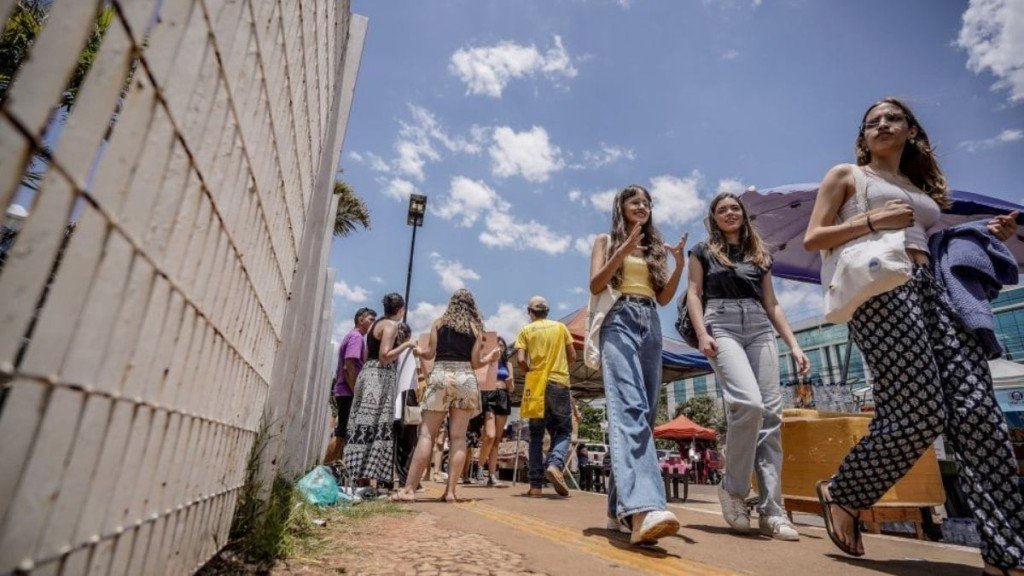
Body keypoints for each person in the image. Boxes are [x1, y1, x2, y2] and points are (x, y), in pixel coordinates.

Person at [804, 98, 1023, 574]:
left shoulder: (920, 189)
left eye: (893, 118)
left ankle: (1008, 553)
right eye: (873, 121)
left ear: (911, 132)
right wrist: (871, 221)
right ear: (863, 137)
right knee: (919, 411)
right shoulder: (847, 175)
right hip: (883, 287)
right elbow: (814, 238)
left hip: (934, 288)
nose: (882, 124)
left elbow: (931, 240)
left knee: (977, 413)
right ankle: (845, 491)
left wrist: (987, 234)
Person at [686, 192, 811, 541]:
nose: (729, 212)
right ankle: (733, 489)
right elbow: (694, 293)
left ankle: (772, 510)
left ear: (743, 214)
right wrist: (702, 333)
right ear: (714, 218)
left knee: (771, 416)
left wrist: (794, 344)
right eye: (722, 209)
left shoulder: (760, 254)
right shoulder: (702, 251)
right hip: (721, 322)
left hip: (759, 327)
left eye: (734, 208)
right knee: (749, 404)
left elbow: (772, 303)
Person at [589, 185, 688, 546]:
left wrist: (678, 265)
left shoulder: (654, 247)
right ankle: (645, 510)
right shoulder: (605, 241)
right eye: (635, 202)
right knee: (629, 408)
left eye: (647, 202)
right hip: (619, 319)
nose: (643, 206)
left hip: (651, 323)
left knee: (644, 417)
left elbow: (663, 298)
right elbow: (596, 284)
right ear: (622, 207)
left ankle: (617, 509)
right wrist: (623, 251)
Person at [392, 289, 500, 502]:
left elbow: (430, 353)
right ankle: (450, 492)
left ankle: (408, 490)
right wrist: (490, 357)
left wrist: (419, 352)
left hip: (441, 374)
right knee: (458, 437)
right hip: (464, 377)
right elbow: (476, 362)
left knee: (426, 435)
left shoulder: (439, 323)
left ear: (451, 304)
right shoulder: (475, 328)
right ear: (472, 306)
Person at [344, 294, 417, 486]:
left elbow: (368, 355)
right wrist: (406, 345)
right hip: (380, 378)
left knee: (363, 426)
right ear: (401, 310)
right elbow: (384, 356)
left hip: (367, 374)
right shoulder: (391, 326)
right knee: (375, 425)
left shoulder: (374, 325)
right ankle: (365, 478)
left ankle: (358, 477)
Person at [515, 296, 576, 499]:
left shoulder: (525, 330)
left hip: (536, 385)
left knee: (536, 436)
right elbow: (573, 356)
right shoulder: (560, 328)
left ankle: (535, 487)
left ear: (529, 312)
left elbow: (520, 360)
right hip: (559, 382)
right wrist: (560, 369)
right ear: (547, 312)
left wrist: (530, 372)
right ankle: (555, 463)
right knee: (564, 430)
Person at [325, 307, 376, 464]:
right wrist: (356, 391)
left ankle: (332, 470)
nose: (373, 324)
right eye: (371, 320)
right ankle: (323, 470)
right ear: (361, 320)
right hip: (348, 392)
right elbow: (349, 366)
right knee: (341, 433)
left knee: (344, 433)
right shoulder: (356, 337)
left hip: (345, 391)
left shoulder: (354, 336)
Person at [477, 336, 515, 486]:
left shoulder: (508, 364)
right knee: (490, 435)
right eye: (497, 345)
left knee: (497, 440)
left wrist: (509, 382)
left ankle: (492, 475)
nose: (500, 348)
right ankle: (480, 466)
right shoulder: (488, 361)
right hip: (490, 395)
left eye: (502, 346)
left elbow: (511, 389)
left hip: (503, 396)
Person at [392, 323, 420, 488]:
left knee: (396, 439)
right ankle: (405, 478)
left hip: (395, 396)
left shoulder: (392, 350)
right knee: (409, 441)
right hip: (408, 396)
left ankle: (391, 478)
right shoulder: (412, 349)